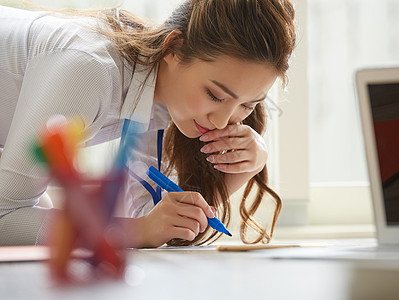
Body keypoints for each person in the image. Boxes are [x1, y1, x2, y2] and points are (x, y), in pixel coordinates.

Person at [0, 0, 296, 247]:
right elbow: (6, 216)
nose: (222, 121)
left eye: (248, 104)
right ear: (174, 49)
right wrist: (136, 230)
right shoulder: (90, 69)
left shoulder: (163, 101)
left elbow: (159, 224)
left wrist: (245, 168)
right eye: (215, 95)